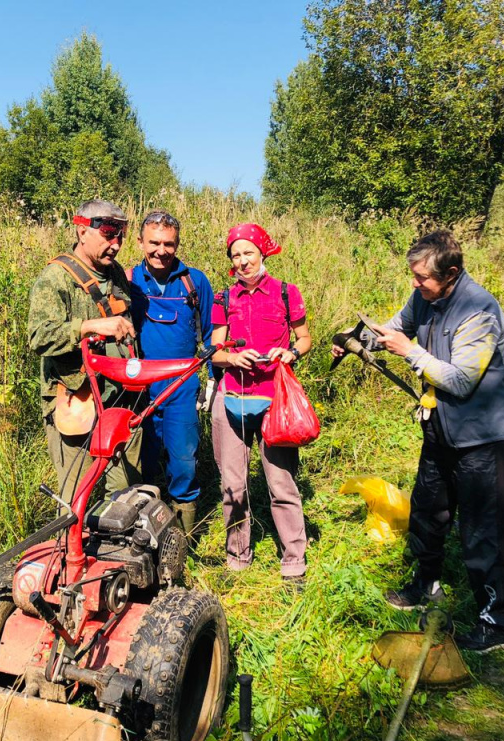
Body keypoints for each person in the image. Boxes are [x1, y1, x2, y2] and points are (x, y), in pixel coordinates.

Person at [333, 229, 504, 653]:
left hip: (481, 433)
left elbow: (460, 379)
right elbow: (395, 330)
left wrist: (409, 352)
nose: (414, 285)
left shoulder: (479, 310)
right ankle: (425, 584)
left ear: (452, 273)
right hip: (440, 426)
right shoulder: (424, 297)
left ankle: (500, 622)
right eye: (413, 276)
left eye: (422, 278)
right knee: (428, 509)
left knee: (482, 529)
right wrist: (354, 339)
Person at [209, 223, 313, 585]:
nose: (242, 261)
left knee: (281, 484)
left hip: (275, 401)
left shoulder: (286, 293)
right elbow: (215, 351)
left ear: (262, 252)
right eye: (235, 255)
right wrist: (232, 359)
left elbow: (304, 338)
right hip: (232, 399)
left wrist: (291, 353)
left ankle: (293, 562)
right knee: (233, 486)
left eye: (248, 252)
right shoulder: (224, 298)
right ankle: (238, 557)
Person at [28, 199, 141, 503]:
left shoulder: (115, 273)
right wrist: (89, 326)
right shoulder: (57, 277)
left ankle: (118, 551)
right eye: (107, 235)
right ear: (81, 230)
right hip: (77, 400)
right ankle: (70, 551)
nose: (116, 245)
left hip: (119, 400)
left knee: (127, 496)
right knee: (76, 500)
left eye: (121, 236)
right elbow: (38, 337)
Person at [127, 210, 215, 535]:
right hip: (140, 389)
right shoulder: (129, 281)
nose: (161, 251)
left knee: (183, 464)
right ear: (140, 242)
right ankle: (145, 539)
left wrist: (213, 382)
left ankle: (182, 543)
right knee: (143, 465)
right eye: (153, 243)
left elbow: (209, 336)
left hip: (182, 386)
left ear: (177, 244)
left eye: (168, 244)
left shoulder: (195, 282)